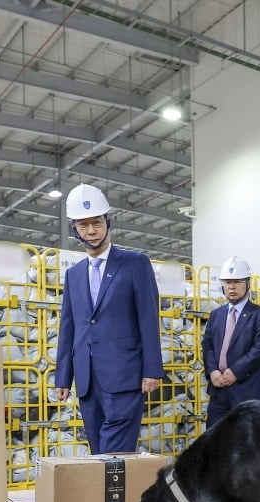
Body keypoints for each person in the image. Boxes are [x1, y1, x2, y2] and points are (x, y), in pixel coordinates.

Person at [55, 183, 164, 454]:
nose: (91, 231)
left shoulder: (135, 263)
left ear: (108, 222)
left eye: (96, 223)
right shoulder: (74, 274)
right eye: (83, 225)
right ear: (75, 230)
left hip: (125, 374)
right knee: (97, 448)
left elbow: (148, 318)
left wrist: (152, 369)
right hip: (87, 379)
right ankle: (105, 495)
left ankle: (114, 497)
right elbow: (68, 327)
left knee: (115, 451)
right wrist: (63, 377)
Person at [202, 257, 260, 427]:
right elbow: (207, 345)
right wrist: (213, 372)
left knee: (248, 443)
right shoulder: (216, 315)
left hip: (248, 390)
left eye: (237, 282)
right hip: (218, 390)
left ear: (248, 283)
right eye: (227, 282)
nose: (231, 286)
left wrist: (234, 372)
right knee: (215, 440)